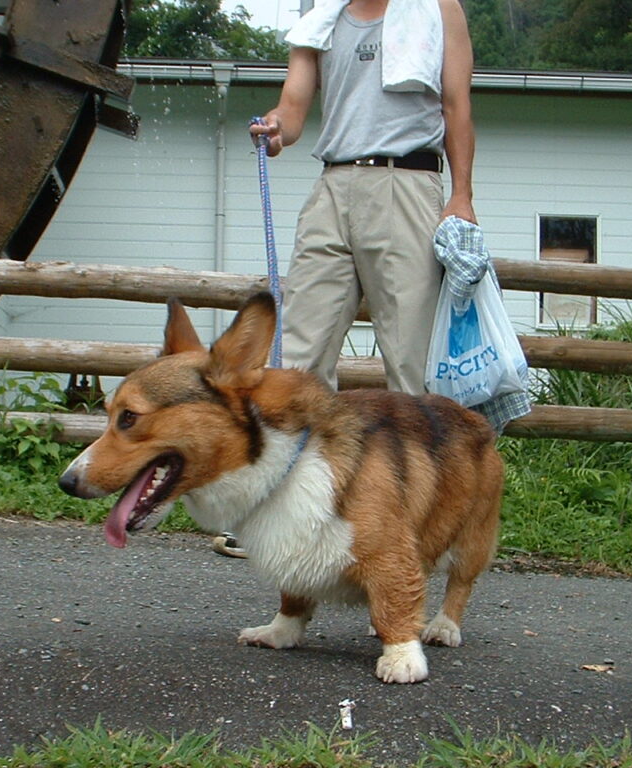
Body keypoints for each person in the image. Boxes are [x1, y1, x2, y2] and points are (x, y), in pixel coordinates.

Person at [213, 0, 478, 558]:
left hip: (407, 181)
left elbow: (456, 105)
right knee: (298, 359)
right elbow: (292, 108)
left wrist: (461, 195)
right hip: (333, 185)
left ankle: (414, 521)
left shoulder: (438, 8)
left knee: (410, 363)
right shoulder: (320, 18)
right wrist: (275, 130)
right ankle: (287, 512)